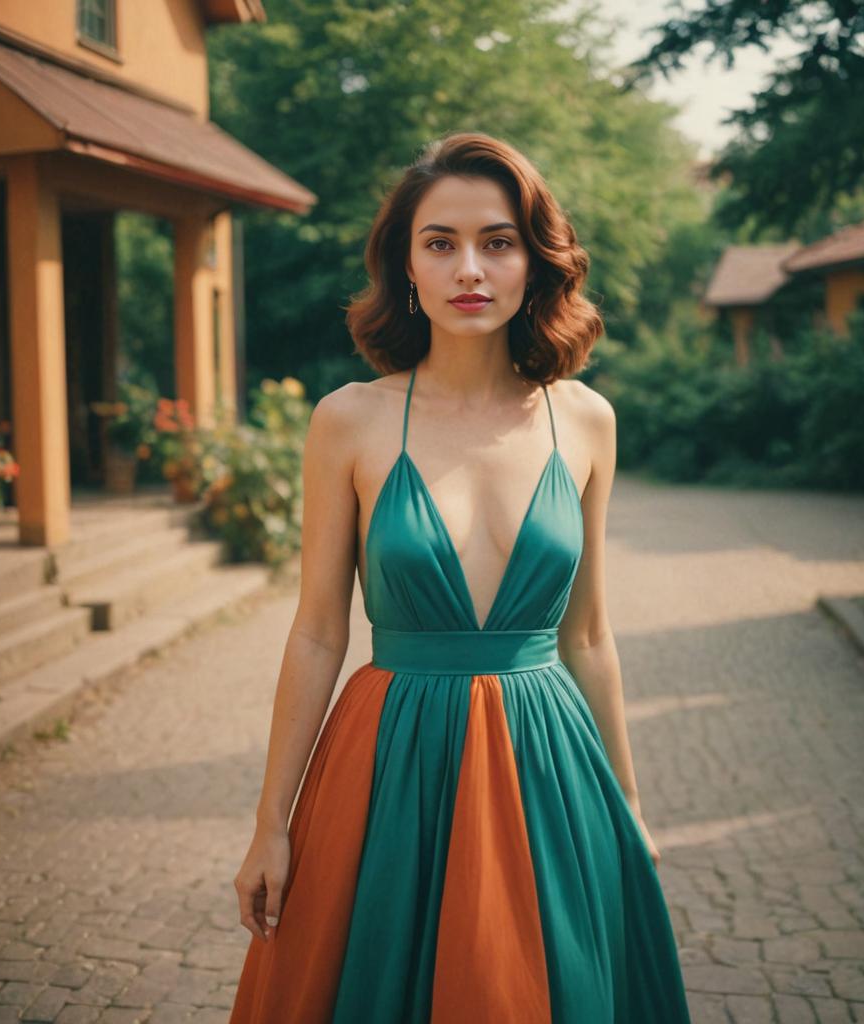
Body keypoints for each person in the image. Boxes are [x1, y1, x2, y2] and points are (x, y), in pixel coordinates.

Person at [228, 131, 692, 1023]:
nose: (469, 269)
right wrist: (270, 823)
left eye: (498, 241)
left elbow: (588, 633)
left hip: (548, 764)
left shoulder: (586, 421)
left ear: (534, 263)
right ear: (406, 265)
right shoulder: (349, 422)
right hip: (385, 760)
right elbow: (319, 629)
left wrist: (627, 804)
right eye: (440, 243)